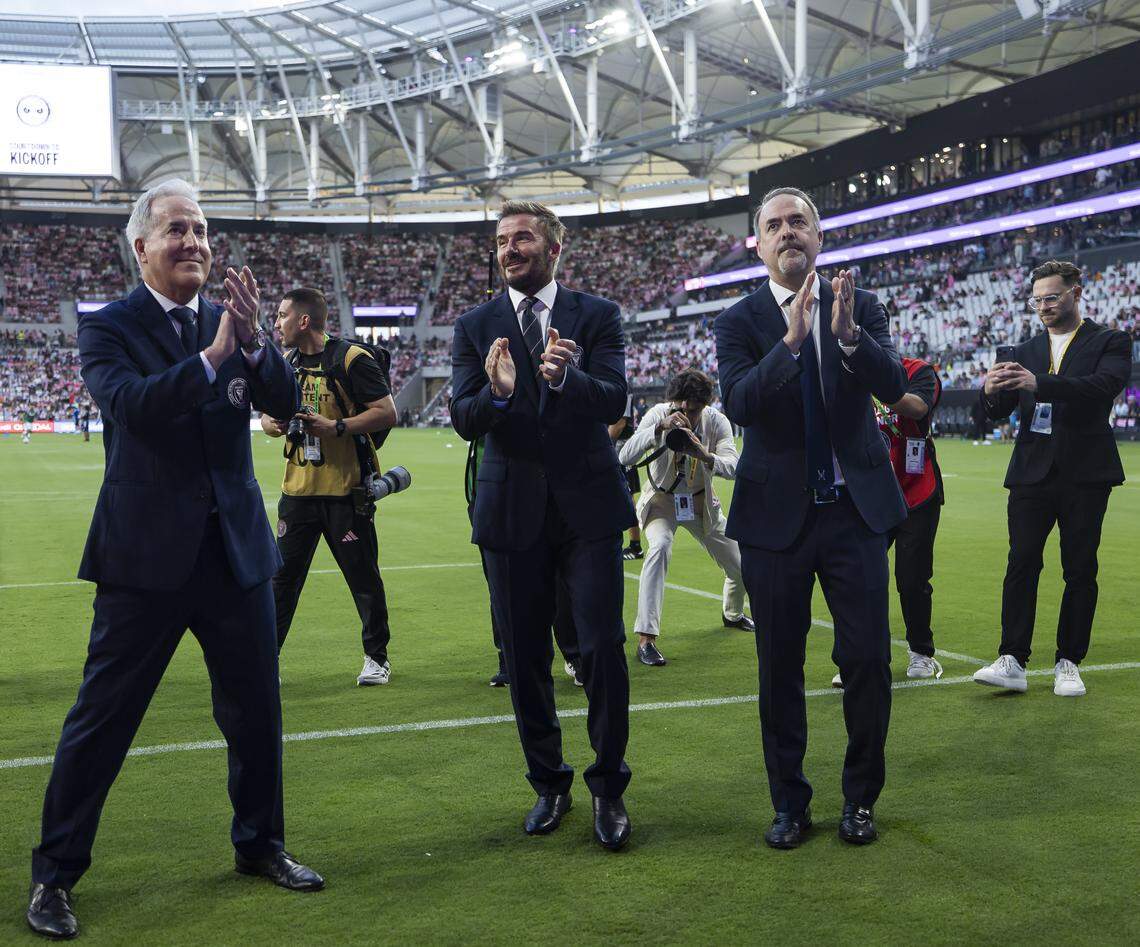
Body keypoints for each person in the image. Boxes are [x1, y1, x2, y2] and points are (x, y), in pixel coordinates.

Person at [27, 179, 320, 941]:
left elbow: (285, 403)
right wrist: (213, 357)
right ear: (141, 247)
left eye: (201, 228)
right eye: (177, 229)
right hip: (145, 558)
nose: (194, 240)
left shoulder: (234, 321)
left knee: (256, 713)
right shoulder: (108, 328)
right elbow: (131, 406)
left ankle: (261, 844)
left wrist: (254, 345)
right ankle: (54, 875)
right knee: (103, 720)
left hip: (235, 553)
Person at [714, 187, 907, 850]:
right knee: (778, 667)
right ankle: (789, 804)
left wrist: (850, 340)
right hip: (775, 521)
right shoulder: (739, 321)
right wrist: (791, 344)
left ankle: (860, 799)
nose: (788, 232)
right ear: (759, 244)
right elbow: (738, 403)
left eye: (799, 221)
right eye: (775, 225)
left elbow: (893, 388)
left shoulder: (864, 305)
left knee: (868, 661)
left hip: (854, 512)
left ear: (819, 237)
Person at [450, 200, 637, 851]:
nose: (510, 248)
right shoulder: (476, 325)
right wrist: (498, 393)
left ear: (555, 247)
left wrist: (570, 377)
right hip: (510, 511)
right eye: (502, 240)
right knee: (525, 654)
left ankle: (608, 786)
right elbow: (464, 417)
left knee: (603, 647)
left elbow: (616, 397)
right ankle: (549, 782)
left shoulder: (599, 314)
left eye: (523, 237)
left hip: (587, 507)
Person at [974, 260, 1131, 697]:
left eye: (1052, 297)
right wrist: (989, 394)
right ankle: (1012, 659)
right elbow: (997, 412)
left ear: (1075, 293)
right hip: (1030, 472)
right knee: (1021, 562)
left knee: (1079, 568)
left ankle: (1068, 661)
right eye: (1037, 299)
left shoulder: (1111, 341)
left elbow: (1102, 387)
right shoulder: (1021, 350)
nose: (1043, 306)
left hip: (1086, 471)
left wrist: (1037, 382)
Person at [263, 288, 398, 687]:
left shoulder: (351, 359)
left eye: (282, 315)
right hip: (297, 492)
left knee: (362, 578)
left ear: (304, 321)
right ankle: (264, 659)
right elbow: (267, 420)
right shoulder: (285, 363)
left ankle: (377, 658)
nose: (276, 322)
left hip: (346, 491)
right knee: (281, 583)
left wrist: (335, 427)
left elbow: (387, 412)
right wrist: (281, 423)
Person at [618, 368, 753, 667]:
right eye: (679, 408)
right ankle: (646, 638)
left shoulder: (717, 422)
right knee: (660, 547)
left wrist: (705, 455)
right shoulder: (658, 413)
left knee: (742, 564)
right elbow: (625, 456)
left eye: (692, 410)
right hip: (663, 501)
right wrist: (658, 429)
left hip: (701, 501)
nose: (684, 414)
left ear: (705, 405)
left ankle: (732, 613)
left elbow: (734, 466)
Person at [832, 356, 946, 686]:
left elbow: (919, 408)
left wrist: (872, 379)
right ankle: (855, 658)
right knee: (858, 579)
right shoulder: (841, 371)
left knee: (912, 579)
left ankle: (921, 653)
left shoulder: (917, 371)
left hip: (917, 491)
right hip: (869, 493)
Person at [466, 435, 583, 689]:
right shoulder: (481, 397)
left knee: (556, 578)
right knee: (500, 586)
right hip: (487, 492)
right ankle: (508, 660)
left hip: (536, 486)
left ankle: (574, 654)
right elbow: (464, 418)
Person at [610, 396, 644, 560]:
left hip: (622, 450)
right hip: (621, 448)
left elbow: (620, 422)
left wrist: (606, 445)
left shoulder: (622, 391)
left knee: (627, 497)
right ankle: (632, 544)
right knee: (625, 496)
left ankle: (635, 545)